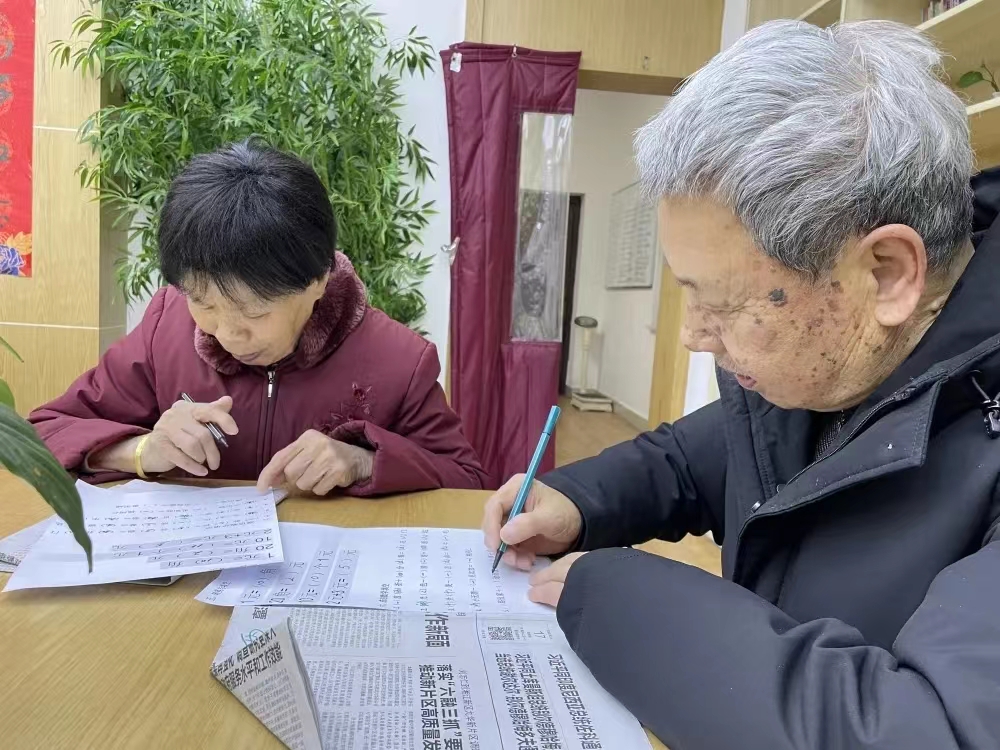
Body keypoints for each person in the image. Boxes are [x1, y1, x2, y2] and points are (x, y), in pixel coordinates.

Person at [483, 20, 1000, 749]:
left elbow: (931, 732)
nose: (694, 335)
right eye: (688, 295)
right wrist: (577, 500)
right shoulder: (825, 370)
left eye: (722, 303)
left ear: (885, 273)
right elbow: (693, 458)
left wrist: (627, 604)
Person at [31, 141, 488, 496]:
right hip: (189, 580)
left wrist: (362, 461)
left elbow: (467, 480)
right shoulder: (165, 326)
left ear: (318, 280)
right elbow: (44, 430)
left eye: (254, 311)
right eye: (204, 304)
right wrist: (141, 450)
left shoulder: (398, 360)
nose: (227, 334)